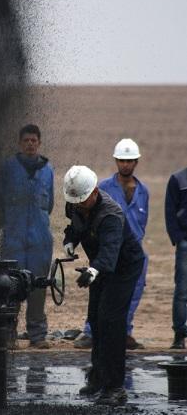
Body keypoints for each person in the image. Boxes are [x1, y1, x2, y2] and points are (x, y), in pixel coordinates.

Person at [63, 165, 144, 405]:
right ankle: (98, 377)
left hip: (124, 267)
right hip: (98, 267)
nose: (78, 205)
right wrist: (70, 241)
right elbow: (75, 226)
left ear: (95, 192)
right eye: (75, 201)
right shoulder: (75, 202)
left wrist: (93, 270)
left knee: (111, 321)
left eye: (82, 201)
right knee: (95, 319)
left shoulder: (110, 215)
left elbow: (110, 253)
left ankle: (115, 387)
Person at [75, 139, 149, 350]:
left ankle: (125, 332)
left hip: (131, 251)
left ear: (136, 162)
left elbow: (142, 223)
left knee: (132, 293)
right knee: (101, 293)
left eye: (130, 161)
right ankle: (91, 333)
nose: (126, 165)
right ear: (116, 161)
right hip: (107, 251)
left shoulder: (143, 191)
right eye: (122, 160)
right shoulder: (103, 188)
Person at [0, 124, 54, 349]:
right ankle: (8, 334)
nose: (30, 144)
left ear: (39, 143)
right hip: (13, 238)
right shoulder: (8, 168)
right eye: (26, 140)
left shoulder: (48, 169)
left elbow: (49, 203)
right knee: (10, 286)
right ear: (20, 143)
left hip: (40, 240)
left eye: (34, 140)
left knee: (38, 287)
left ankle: (37, 335)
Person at [165, 167, 187, 349]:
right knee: (182, 291)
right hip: (185, 243)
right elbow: (170, 210)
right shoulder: (178, 179)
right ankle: (179, 335)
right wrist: (178, 238)